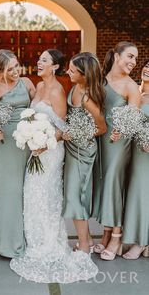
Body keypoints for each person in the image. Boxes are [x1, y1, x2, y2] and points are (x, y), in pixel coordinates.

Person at [10, 49, 98, 283]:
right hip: (36, 149)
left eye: (44, 61)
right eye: (38, 59)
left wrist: (44, 142)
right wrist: (29, 136)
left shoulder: (59, 91)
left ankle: (50, 243)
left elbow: (62, 128)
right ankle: (35, 241)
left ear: (55, 66)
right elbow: (31, 117)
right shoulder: (38, 87)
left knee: (47, 195)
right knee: (31, 193)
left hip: (50, 151)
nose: (39, 63)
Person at [94, 41, 141, 260]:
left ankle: (116, 238)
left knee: (114, 183)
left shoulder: (131, 86)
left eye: (135, 59)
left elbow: (133, 120)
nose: (133, 62)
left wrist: (120, 132)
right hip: (101, 140)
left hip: (119, 143)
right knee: (104, 183)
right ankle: (105, 234)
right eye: (130, 56)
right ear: (116, 56)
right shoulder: (101, 80)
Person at [0, 49, 35, 258]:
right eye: (10, 68)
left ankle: (29, 237)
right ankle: (6, 243)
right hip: (6, 142)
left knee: (27, 189)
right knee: (9, 190)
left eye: (17, 66)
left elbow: (39, 108)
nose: (16, 71)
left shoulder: (27, 83)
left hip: (28, 140)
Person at [62, 52, 106, 254]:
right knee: (73, 195)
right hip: (71, 149)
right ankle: (84, 239)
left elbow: (102, 128)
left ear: (84, 74)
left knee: (74, 196)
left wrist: (79, 133)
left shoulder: (88, 98)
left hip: (83, 151)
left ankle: (85, 246)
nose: (68, 72)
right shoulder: (75, 87)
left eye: (72, 70)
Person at [122, 59, 149, 259]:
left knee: (141, 195)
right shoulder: (134, 92)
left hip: (145, 153)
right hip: (129, 150)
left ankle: (141, 242)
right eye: (147, 66)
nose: (147, 69)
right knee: (134, 195)